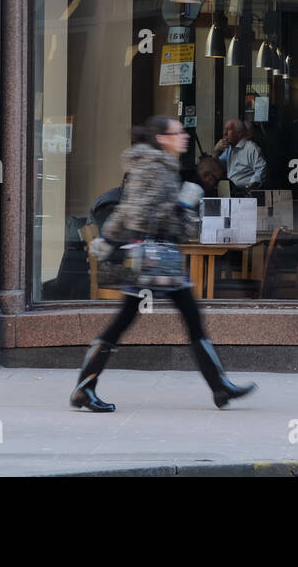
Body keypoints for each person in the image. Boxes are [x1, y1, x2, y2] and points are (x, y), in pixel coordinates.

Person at [70, 115, 256, 412]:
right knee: (125, 323)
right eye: (177, 132)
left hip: (160, 259)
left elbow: (138, 212)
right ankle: (84, 387)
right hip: (152, 260)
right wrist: (183, 204)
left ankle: (219, 387)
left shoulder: (162, 166)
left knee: (186, 318)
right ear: (162, 138)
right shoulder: (153, 168)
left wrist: (109, 237)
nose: (183, 136)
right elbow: (138, 213)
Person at [214, 118, 266, 191]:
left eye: (229, 130)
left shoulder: (251, 148)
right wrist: (216, 151)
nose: (225, 133)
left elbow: (261, 169)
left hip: (245, 192)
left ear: (239, 133)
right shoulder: (229, 149)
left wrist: (250, 186)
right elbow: (218, 167)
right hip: (231, 190)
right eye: (224, 129)